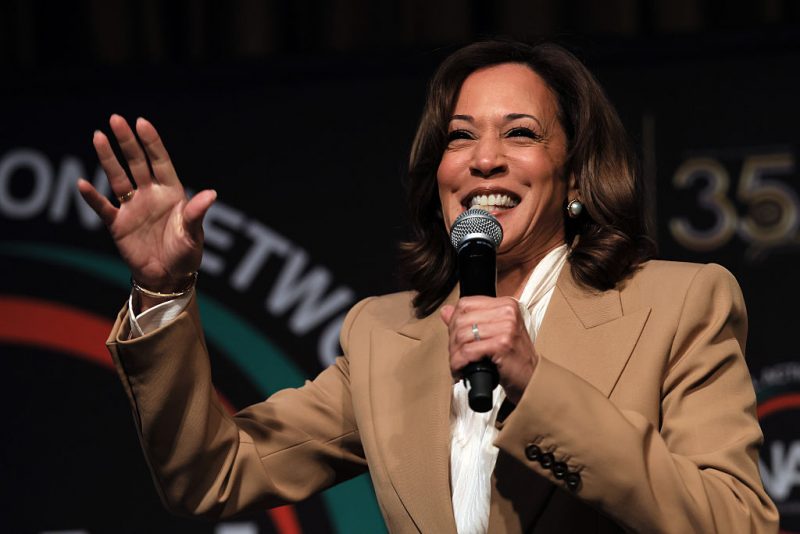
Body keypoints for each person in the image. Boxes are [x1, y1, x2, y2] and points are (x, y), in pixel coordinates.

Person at [77, 40, 779, 533]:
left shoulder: (677, 305)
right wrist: (162, 290)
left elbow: (736, 522)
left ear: (574, 174)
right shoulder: (385, 339)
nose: (483, 160)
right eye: (459, 136)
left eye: (520, 133)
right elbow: (212, 475)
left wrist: (537, 384)